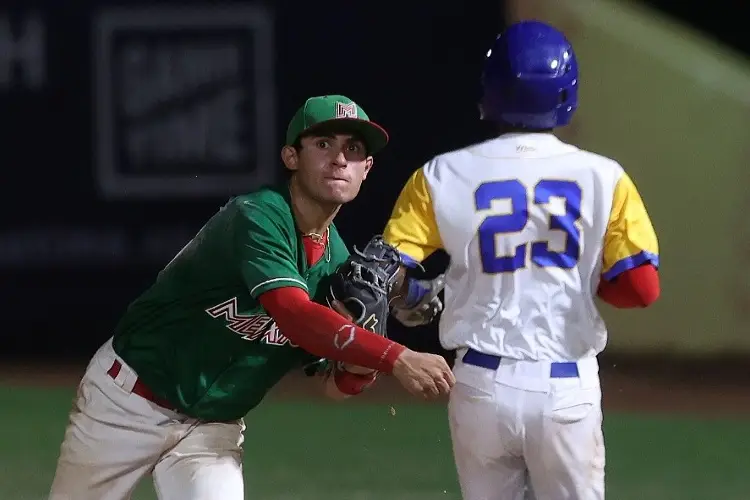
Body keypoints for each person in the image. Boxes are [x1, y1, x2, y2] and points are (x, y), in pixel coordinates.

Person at [48, 94, 455, 500]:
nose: (339, 159)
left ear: (366, 169)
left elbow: (333, 388)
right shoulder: (257, 217)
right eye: (324, 144)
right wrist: (395, 357)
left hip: (212, 430)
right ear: (291, 157)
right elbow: (293, 314)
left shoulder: (337, 269)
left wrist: (357, 367)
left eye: (353, 149)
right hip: (127, 404)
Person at [382, 21, 660, 500]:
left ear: (489, 92)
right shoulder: (605, 177)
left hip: (479, 386)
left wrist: (412, 295)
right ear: (567, 94)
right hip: (564, 387)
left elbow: (387, 270)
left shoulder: (440, 173)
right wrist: (579, 274)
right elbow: (640, 290)